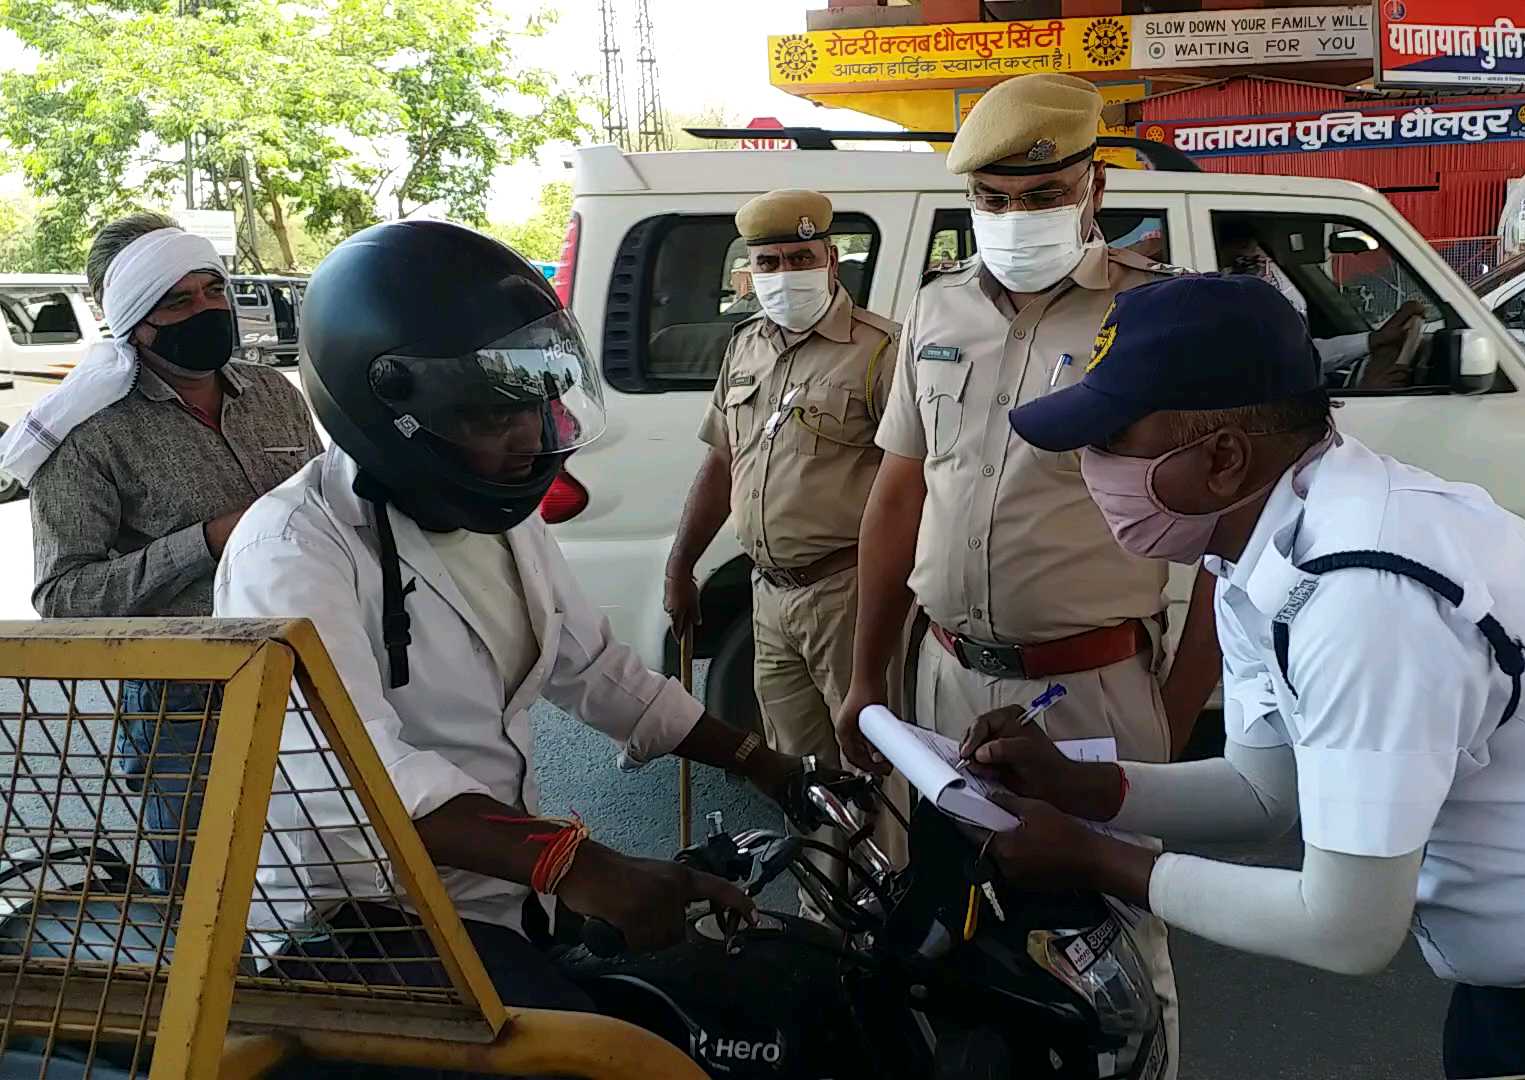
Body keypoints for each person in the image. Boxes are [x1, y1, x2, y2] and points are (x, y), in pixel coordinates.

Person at [963, 271, 1525, 1079]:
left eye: (1112, 441)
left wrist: (1096, 859)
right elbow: (1268, 793)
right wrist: (1085, 789)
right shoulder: (1272, 542)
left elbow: (1346, 928)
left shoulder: (1365, 593)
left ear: (1225, 458)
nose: (1089, 470)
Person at [214, 220, 821, 1014]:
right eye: (488, 415)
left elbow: (594, 668)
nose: (528, 439)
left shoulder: (497, 517)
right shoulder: (291, 554)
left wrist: (767, 765)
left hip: (500, 894)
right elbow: (354, 779)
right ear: (385, 408)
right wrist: (580, 865)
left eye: (537, 407)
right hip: (363, 927)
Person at [829, 72, 1205, 1071]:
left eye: (1041, 196)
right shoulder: (938, 311)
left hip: (1087, 685)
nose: (1016, 218)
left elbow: (1224, 540)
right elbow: (897, 499)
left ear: (1095, 192)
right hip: (946, 673)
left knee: (1113, 932)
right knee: (948, 919)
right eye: (992, 201)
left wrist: (1178, 703)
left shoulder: (1162, 321)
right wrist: (868, 680)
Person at [0, 213, 322, 889]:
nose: (206, 309)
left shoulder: (273, 394)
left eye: (213, 290)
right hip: (187, 710)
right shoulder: (86, 435)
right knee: (215, 893)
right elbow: (62, 600)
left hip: (319, 676)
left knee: (339, 879)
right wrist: (205, 541)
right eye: (177, 301)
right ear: (134, 320)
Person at [665, 189, 898, 920]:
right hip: (770, 599)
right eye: (769, 261)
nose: (785, 272)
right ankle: (827, 921)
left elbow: (916, 487)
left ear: (832, 260)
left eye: (801, 257)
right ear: (750, 272)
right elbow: (720, 464)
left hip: (848, 591)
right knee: (799, 773)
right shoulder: (747, 345)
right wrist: (681, 564)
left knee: (873, 767)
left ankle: (889, 919)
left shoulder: (881, 350)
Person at [1215, 220, 1425, 388]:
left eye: (1257, 260)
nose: (1259, 271)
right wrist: (1370, 388)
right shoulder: (1218, 312)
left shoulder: (1260, 302)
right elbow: (1277, 366)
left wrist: (1373, 340)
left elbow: (1299, 354)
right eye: (1242, 263)